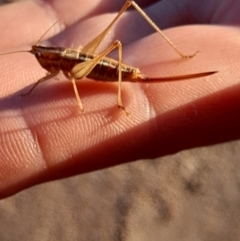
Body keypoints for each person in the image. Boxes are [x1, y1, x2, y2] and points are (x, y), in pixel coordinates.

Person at [0, 0, 240, 198]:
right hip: (86, 63)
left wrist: (80, 104)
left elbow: (72, 77)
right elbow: (51, 75)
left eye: (40, 54)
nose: (40, 58)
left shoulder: (60, 61)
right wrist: (31, 89)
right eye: (39, 55)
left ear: (49, 55)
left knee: (114, 29)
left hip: (98, 68)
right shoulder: (53, 59)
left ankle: (145, 79)